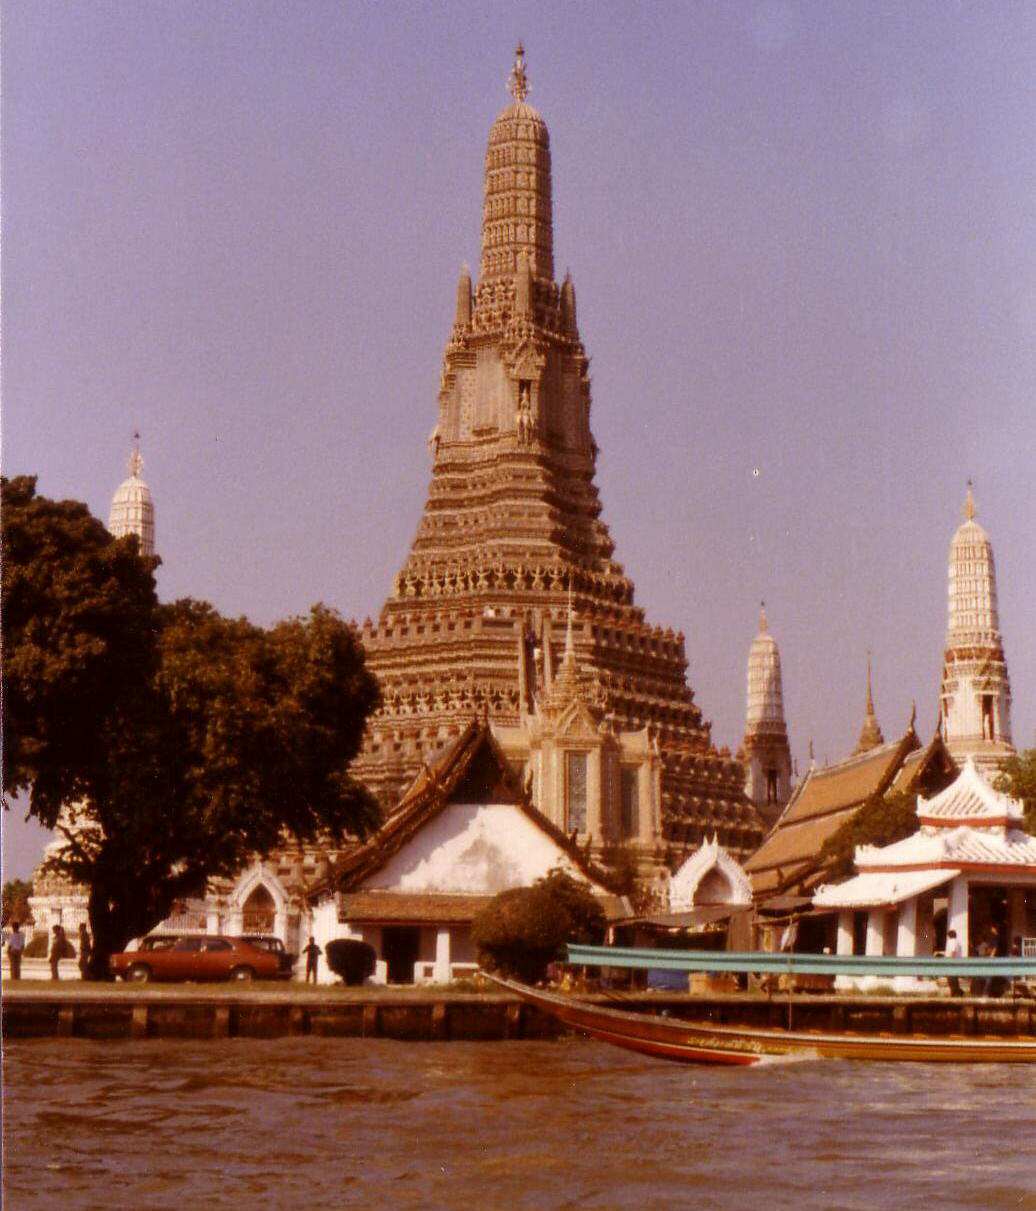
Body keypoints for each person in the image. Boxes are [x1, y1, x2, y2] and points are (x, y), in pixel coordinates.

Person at [945, 928, 962, 996]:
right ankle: (957, 992)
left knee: (950, 980)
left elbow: (953, 951)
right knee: (954, 979)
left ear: (949, 936)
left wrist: (950, 962)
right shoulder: (958, 942)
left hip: (952, 963)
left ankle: (955, 992)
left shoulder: (951, 941)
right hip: (957, 963)